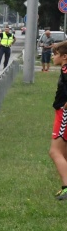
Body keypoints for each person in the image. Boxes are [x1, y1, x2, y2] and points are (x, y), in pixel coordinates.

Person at [47, 41, 67, 200]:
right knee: (64, 154)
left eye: (56, 54)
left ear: (64, 57)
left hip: (63, 114)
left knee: (55, 152)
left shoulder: (66, 70)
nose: (54, 57)